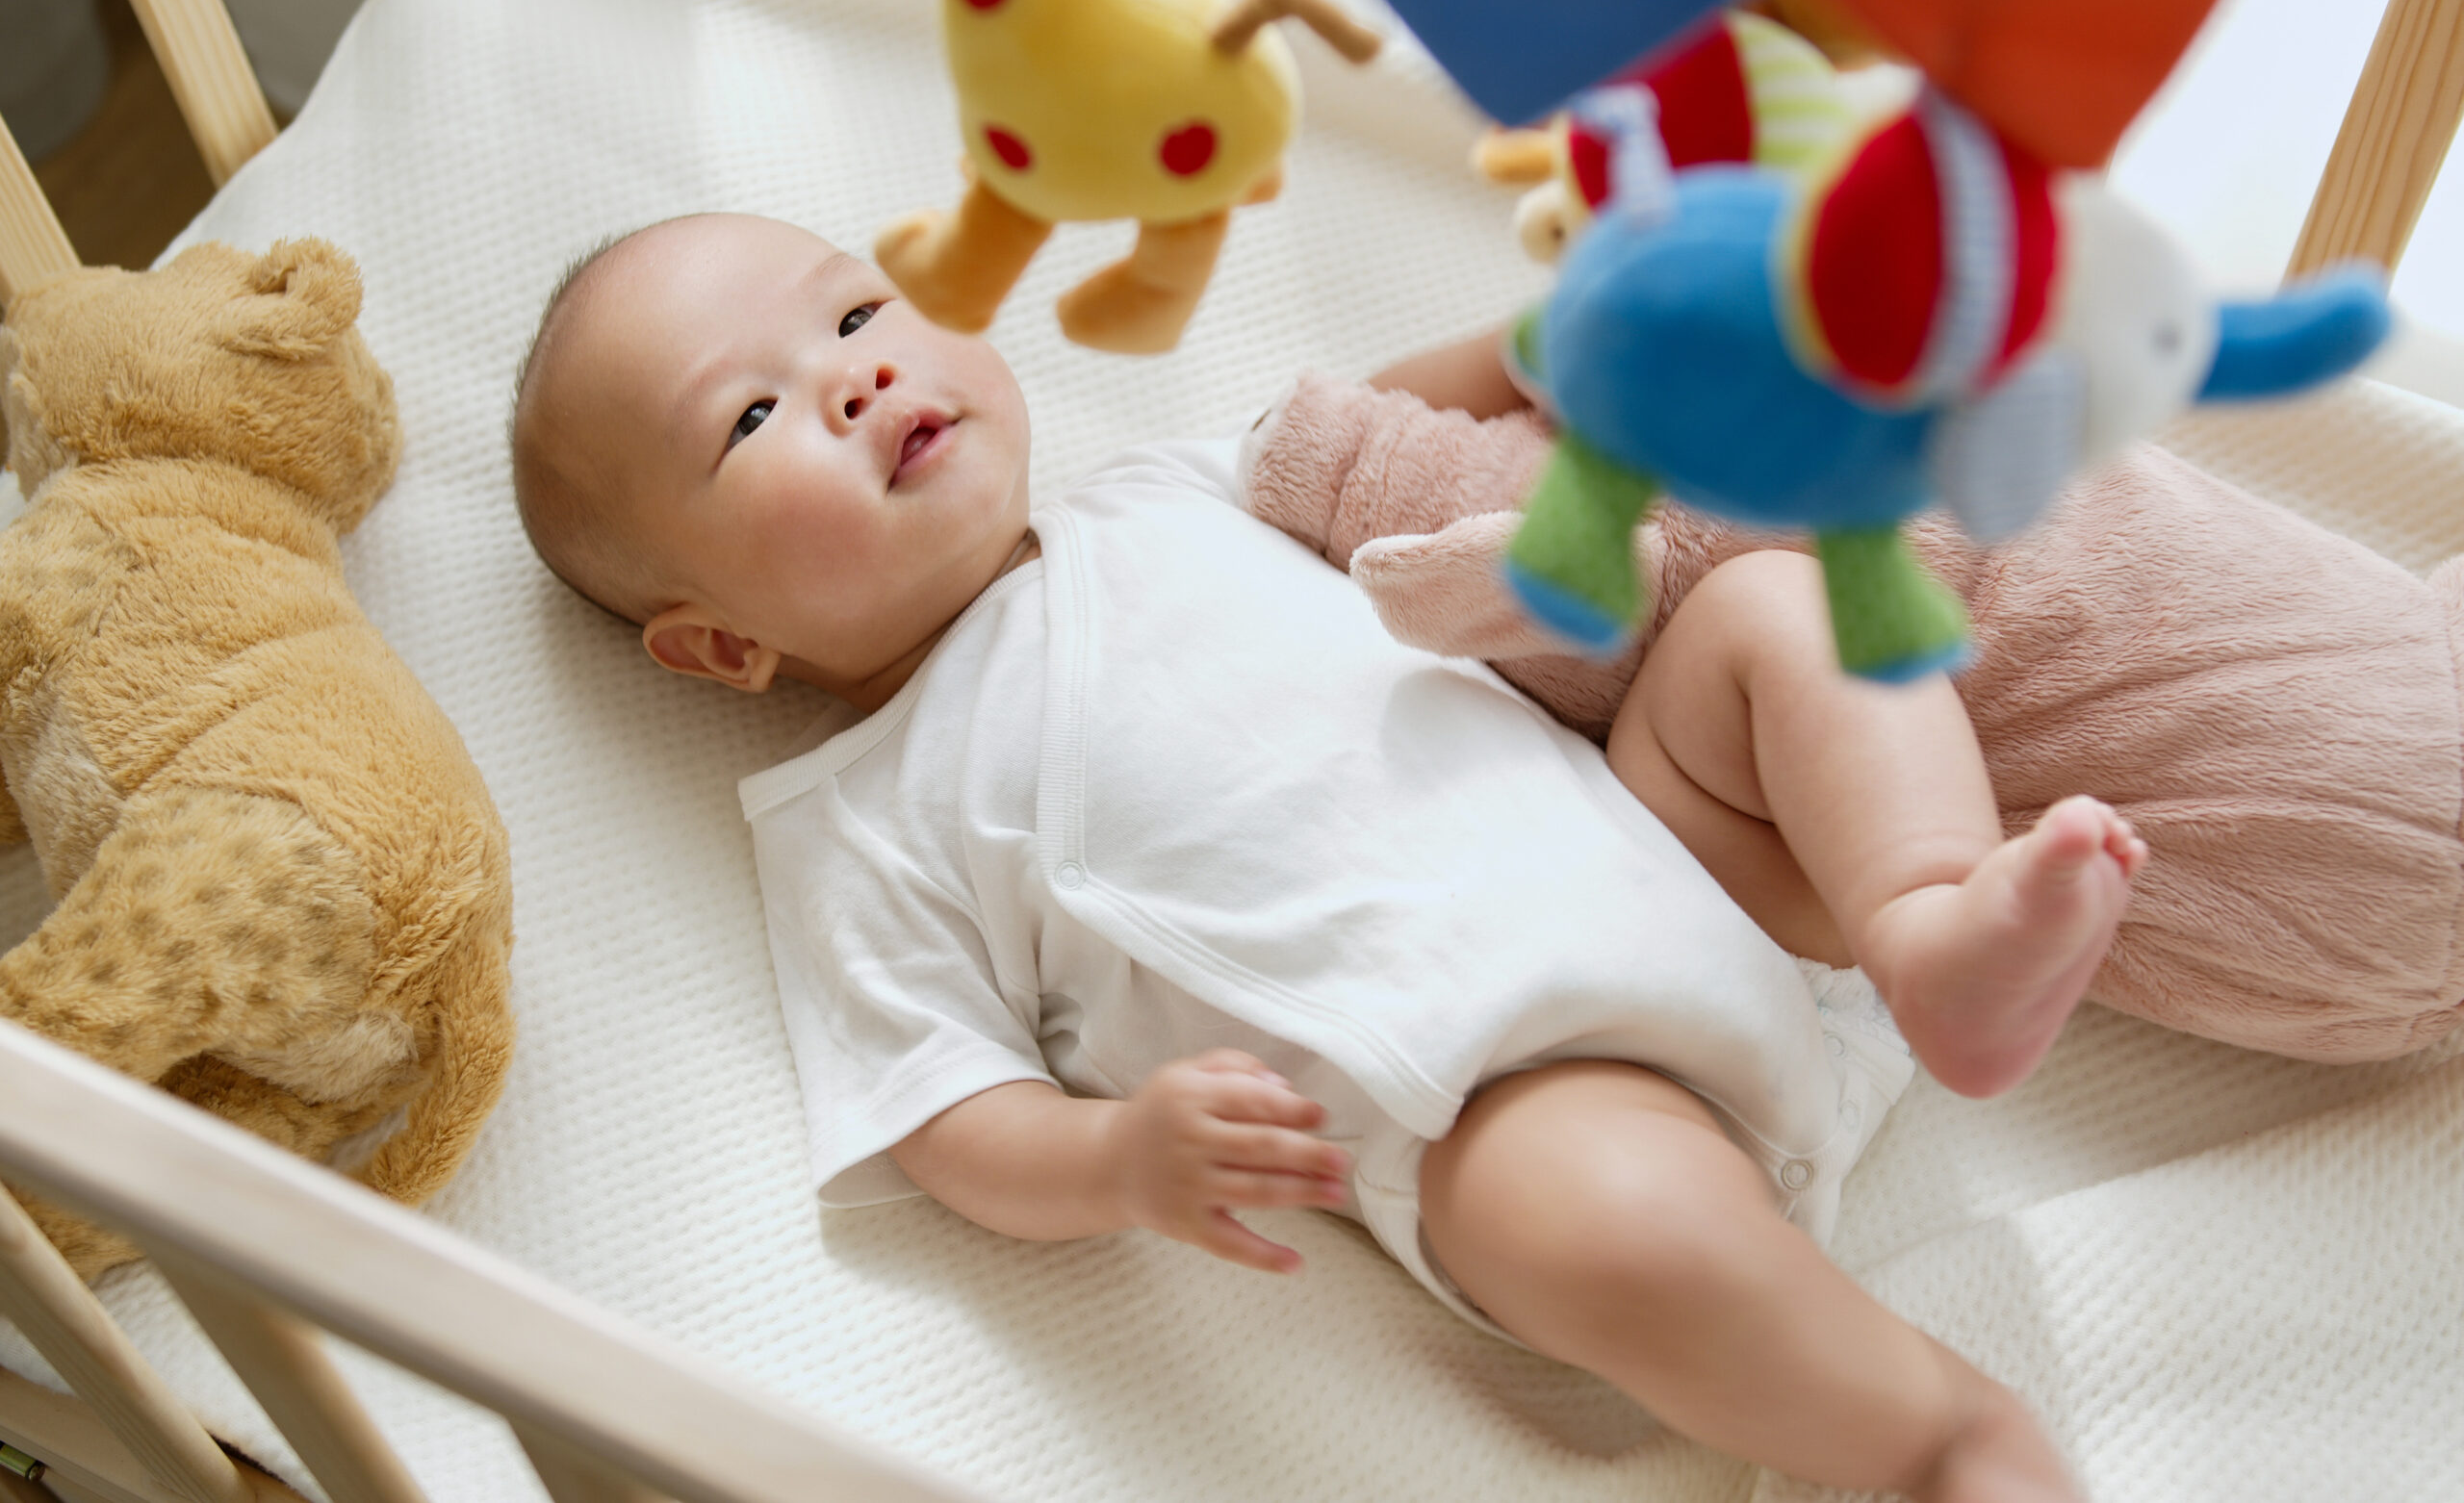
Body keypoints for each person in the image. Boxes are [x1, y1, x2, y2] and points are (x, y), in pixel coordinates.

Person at [511, 210, 2141, 1502]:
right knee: (1589, 1229)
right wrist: (1119, 1163)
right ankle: (1940, 1438)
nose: (852, 377)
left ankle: (1929, 923)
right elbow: (943, 1113)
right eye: (749, 416)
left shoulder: (1158, 489)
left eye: (855, 314)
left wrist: (1533, 348)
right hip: (1513, 1090)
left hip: (1691, 859)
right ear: (721, 649)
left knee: (1774, 612)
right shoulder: (862, 816)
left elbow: (1384, 422)